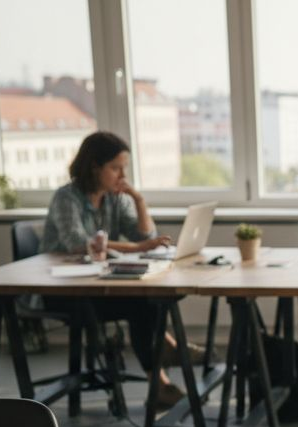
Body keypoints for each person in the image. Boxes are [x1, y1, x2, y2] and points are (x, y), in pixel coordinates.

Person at [40, 131, 200, 409]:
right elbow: (78, 244)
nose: (121, 174)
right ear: (94, 166)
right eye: (115, 168)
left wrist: (137, 199)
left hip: (96, 286)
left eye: (123, 168)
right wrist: (138, 248)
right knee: (141, 303)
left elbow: (145, 234)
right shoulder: (66, 198)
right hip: (64, 291)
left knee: (148, 298)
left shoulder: (114, 198)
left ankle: (163, 365)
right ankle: (162, 371)